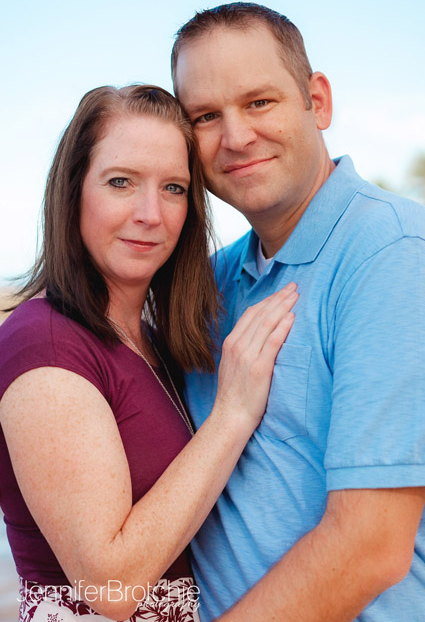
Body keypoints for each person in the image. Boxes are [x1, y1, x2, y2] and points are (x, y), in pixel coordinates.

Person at [170, 2, 425, 621]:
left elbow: (369, 547)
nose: (235, 136)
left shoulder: (393, 251)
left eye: (259, 102)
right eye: (206, 116)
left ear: (316, 101)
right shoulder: (210, 285)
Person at [0, 84, 297, 621]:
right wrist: (232, 414)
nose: (150, 213)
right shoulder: (45, 344)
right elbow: (111, 587)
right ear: (73, 192)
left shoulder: (153, 342)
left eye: (174, 188)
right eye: (121, 182)